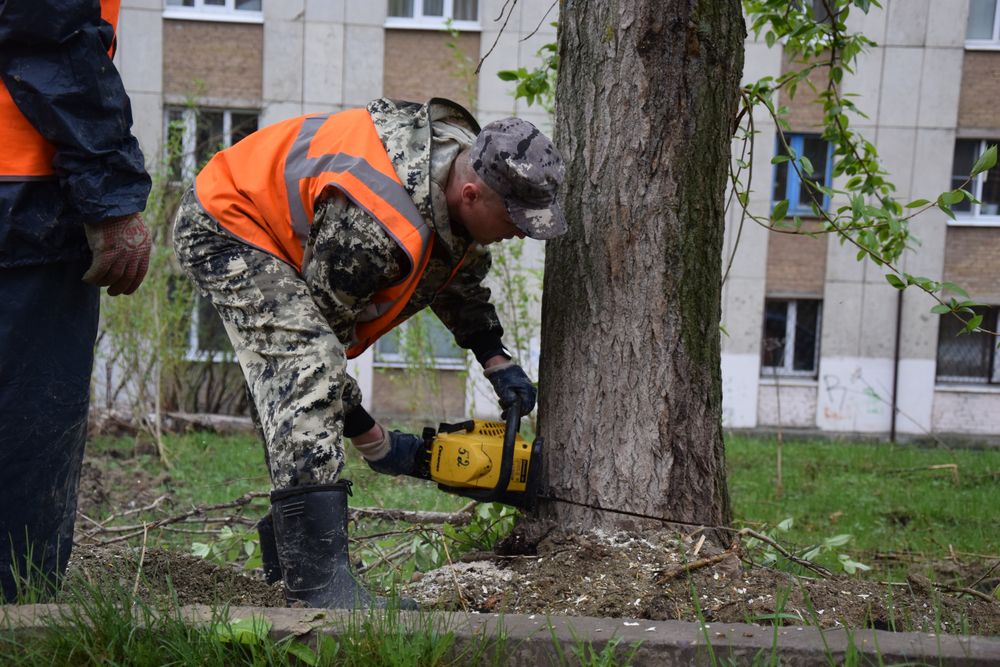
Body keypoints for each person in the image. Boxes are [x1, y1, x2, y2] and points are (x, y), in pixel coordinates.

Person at [173, 97, 565, 609]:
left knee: (303, 376)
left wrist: (497, 360)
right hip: (227, 223)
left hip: (291, 231)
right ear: (471, 194)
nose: (520, 233)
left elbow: (453, 270)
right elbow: (315, 360)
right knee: (301, 373)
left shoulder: (452, 165)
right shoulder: (372, 227)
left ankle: (287, 565)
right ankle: (318, 585)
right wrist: (379, 443)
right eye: (515, 220)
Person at [0, 0, 152, 602]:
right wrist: (109, 192)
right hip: (20, 201)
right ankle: (18, 625)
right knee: (25, 428)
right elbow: (49, 34)